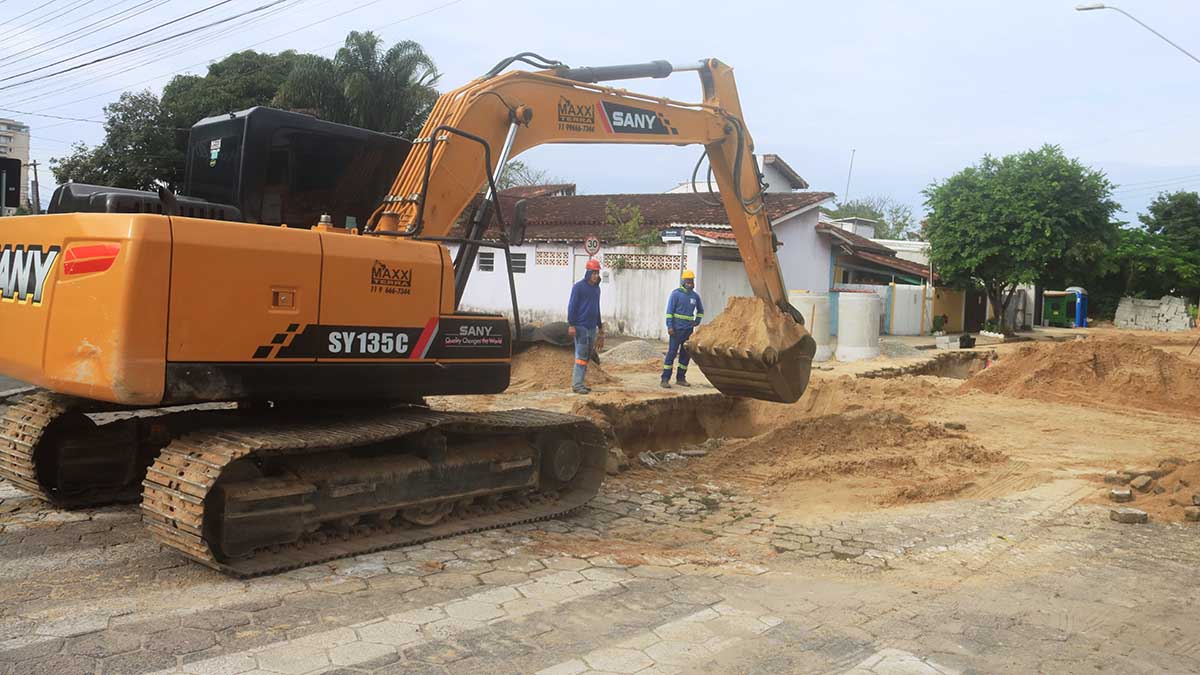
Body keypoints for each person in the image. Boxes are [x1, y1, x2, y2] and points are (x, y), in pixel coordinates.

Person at [567, 258, 604, 394]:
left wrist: (600, 328)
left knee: (587, 355)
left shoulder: (596, 289)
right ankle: (577, 385)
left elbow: (597, 309)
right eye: (593, 273)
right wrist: (571, 324)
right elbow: (572, 307)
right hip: (580, 327)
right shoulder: (578, 287)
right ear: (588, 273)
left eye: (597, 273)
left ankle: (580, 383)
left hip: (591, 327)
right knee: (581, 355)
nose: (596, 275)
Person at [662, 269, 703, 388]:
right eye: (688, 281)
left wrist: (697, 321)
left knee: (685, 355)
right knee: (671, 354)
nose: (690, 283)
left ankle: (681, 378)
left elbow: (701, 311)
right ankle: (665, 379)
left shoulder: (695, 296)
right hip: (676, 330)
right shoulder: (676, 294)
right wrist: (669, 326)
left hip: (688, 330)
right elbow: (669, 312)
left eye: (692, 281)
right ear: (683, 282)